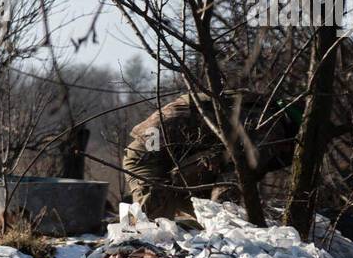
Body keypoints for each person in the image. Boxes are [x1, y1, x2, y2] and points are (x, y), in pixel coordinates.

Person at [122, 91, 300, 219]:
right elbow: (234, 177)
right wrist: (225, 218)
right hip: (150, 150)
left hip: (169, 149)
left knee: (193, 221)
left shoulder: (261, 111)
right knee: (150, 222)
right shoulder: (270, 129)